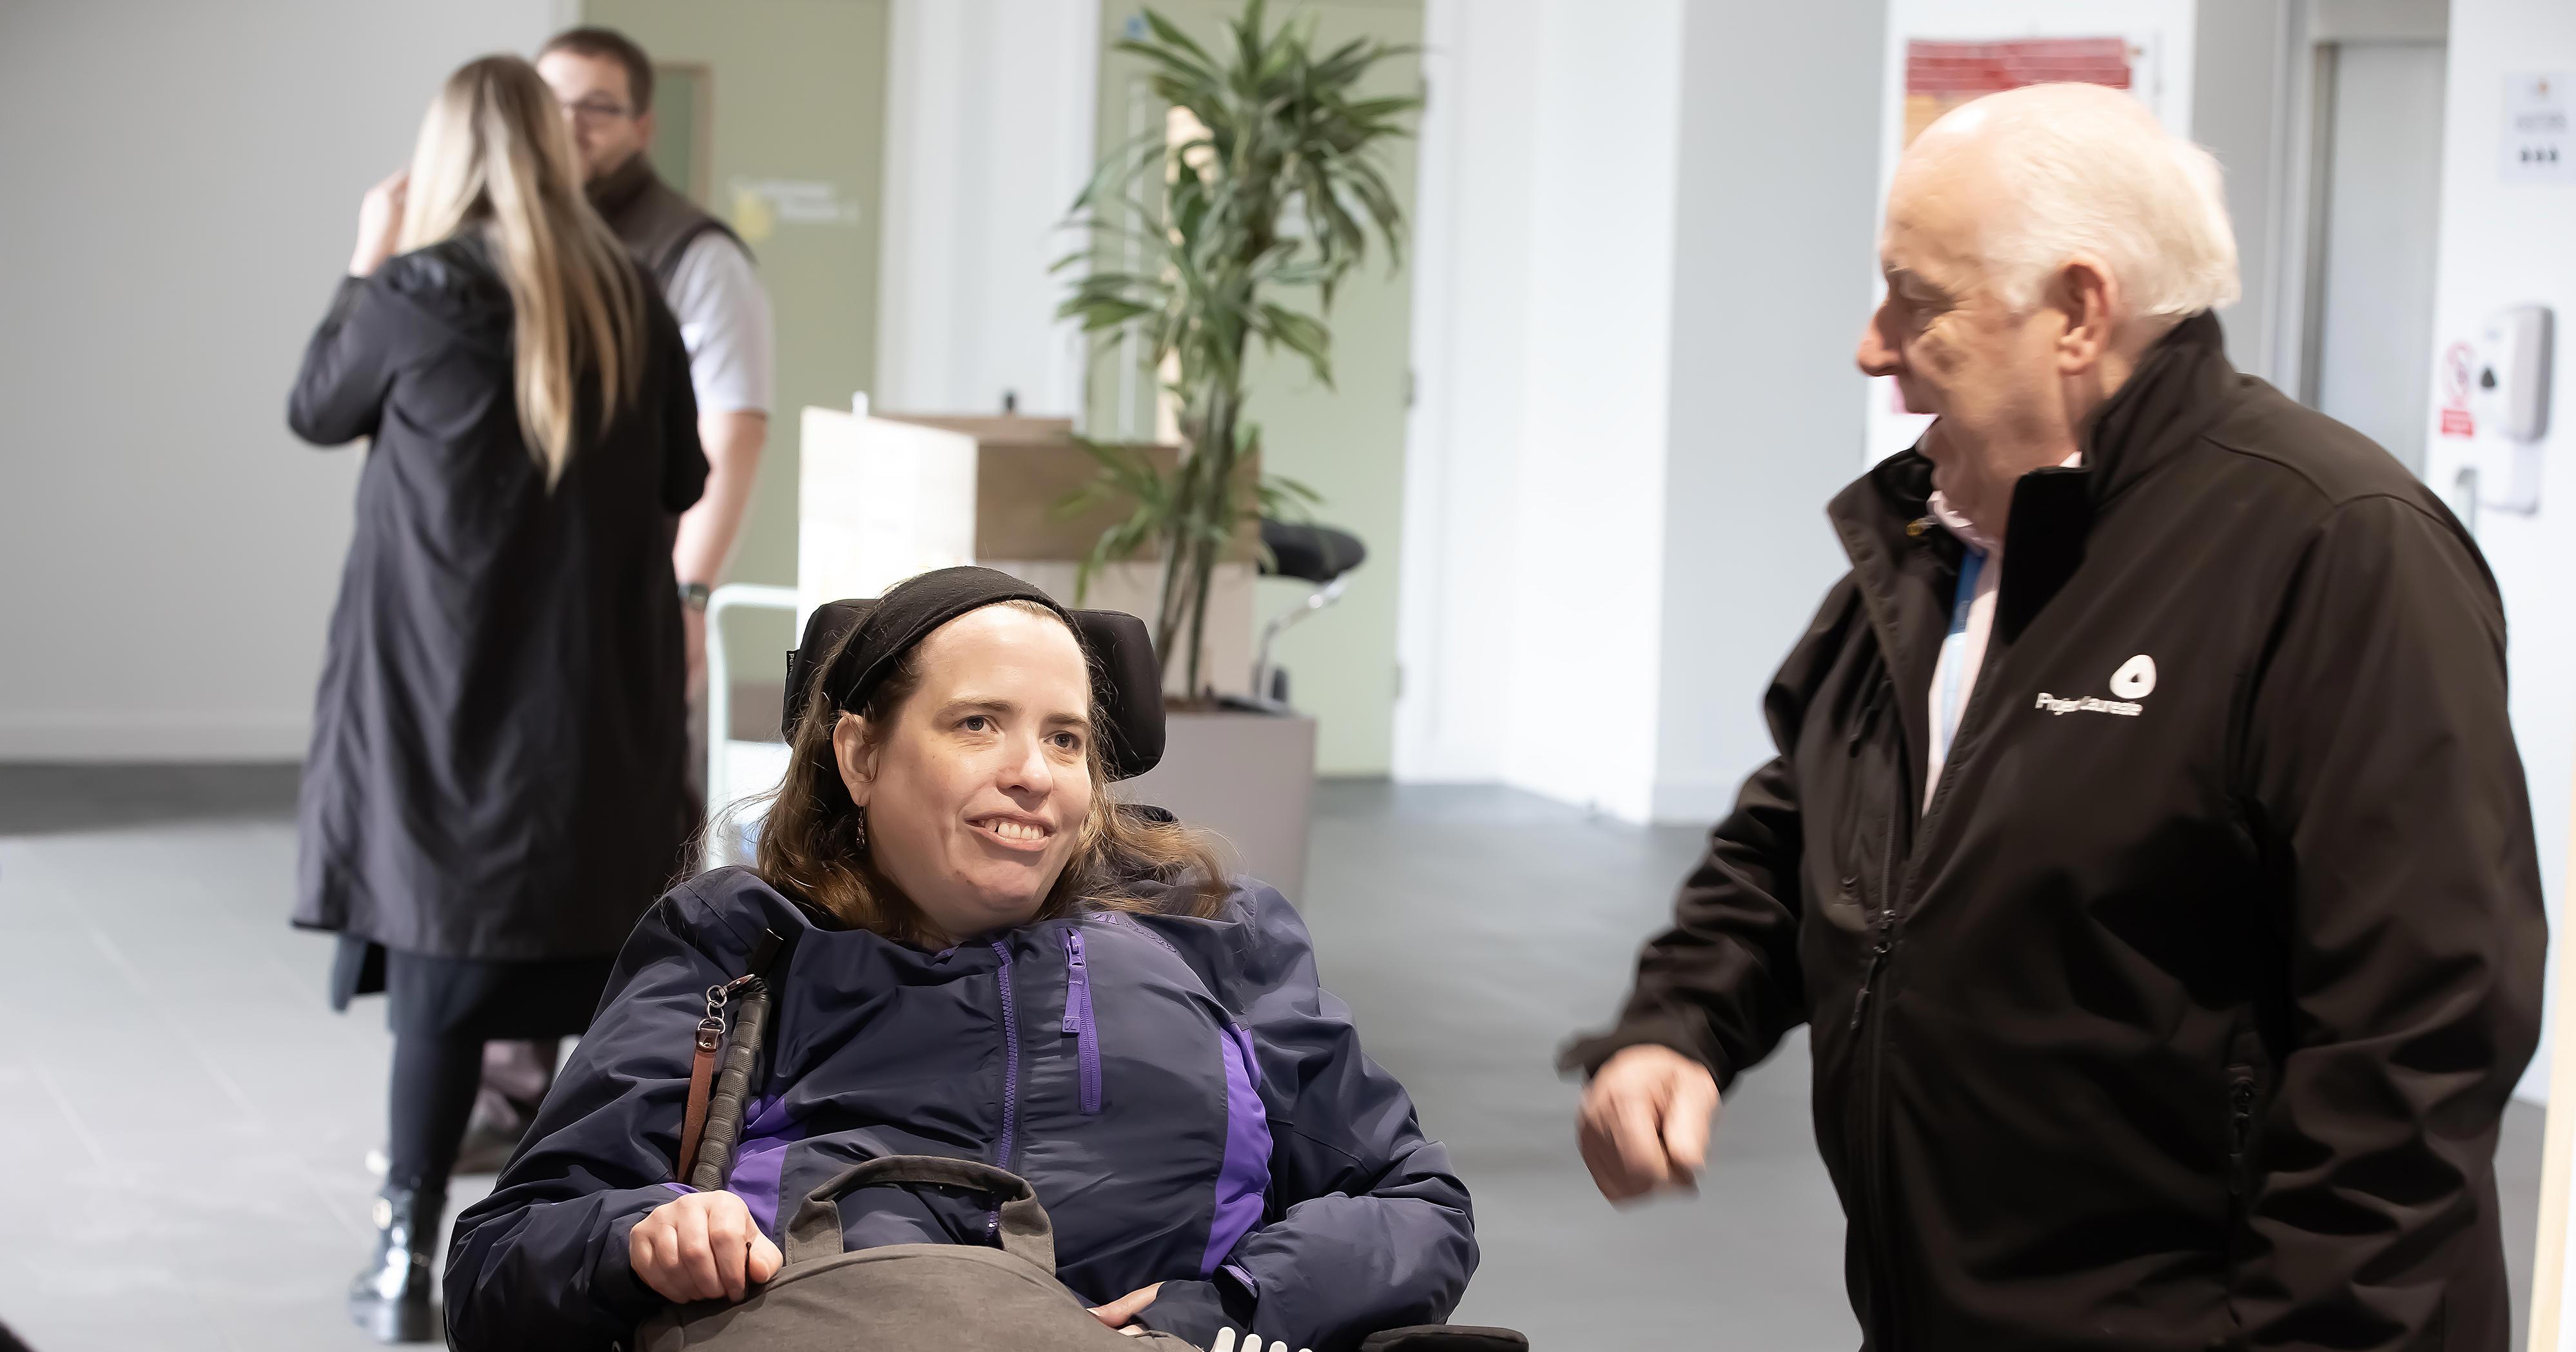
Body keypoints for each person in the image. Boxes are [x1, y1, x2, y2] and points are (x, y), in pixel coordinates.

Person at [1563, 81, 2544, 1351]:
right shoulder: (1934, 531)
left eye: (1918, 294)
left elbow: (2414, 1038)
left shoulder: (2336, 547)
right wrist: (1680, 1022)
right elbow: (1802, 820)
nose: (1875, 342)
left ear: (2079, 312)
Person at [444, 568, 1478, 1352]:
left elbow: (1418, 1206)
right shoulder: (746, 944)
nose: (1034, 774)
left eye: (1067, 739)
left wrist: (1234, 1303)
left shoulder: (1212, 939)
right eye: (978, 724)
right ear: (860, 753)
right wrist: (641, 1237)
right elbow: (498, 1260)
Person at [287, 54, 705, 1344]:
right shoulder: (632, 297)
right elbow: (682, 477)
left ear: (447, 154)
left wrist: (368, 252)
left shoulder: (409, 296)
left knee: (442, 982)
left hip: (445, 706)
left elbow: (316, 408)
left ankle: (408, 1249)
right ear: (556, 147)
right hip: (596, 706)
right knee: (610, 988)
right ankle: (608, 1237)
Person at [433, 26, 779, 1170]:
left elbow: (731, 432)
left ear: (638, 125)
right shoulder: (499, 245)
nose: (565, 126)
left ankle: (624, 1099)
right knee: (510, 836)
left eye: (593, 108)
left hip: (626, 611)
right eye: (549, 103)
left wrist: (689, 590)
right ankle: (505, 1087)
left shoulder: (688, 252)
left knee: (627, 844)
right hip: (521, 624)